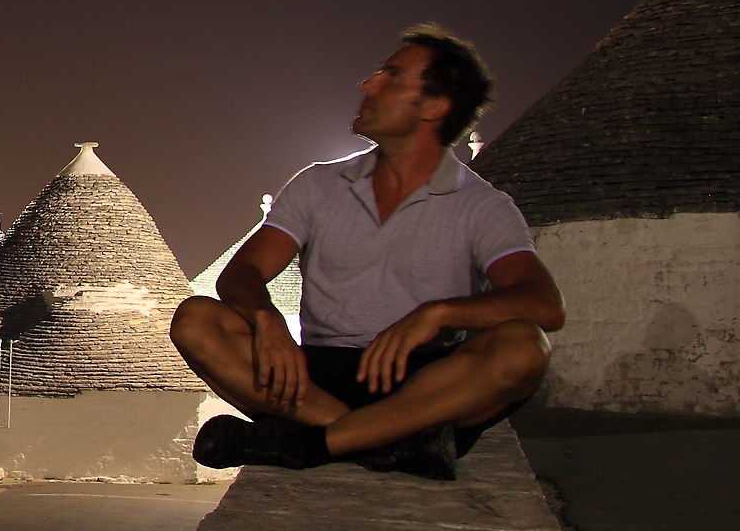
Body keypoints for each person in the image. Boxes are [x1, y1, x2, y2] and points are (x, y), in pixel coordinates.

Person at [169, 25, 562, 481]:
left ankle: (315, 444)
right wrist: (266, 318)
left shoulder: (482, 206)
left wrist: (437, 314)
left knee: (525, 345)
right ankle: (394, 443)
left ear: (434, 107)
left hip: (427, 383)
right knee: (196, 319)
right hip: (316, 379)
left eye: (391, 76)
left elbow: (543, 304)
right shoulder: (318, 185)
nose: (368, 84)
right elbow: (243, 272)